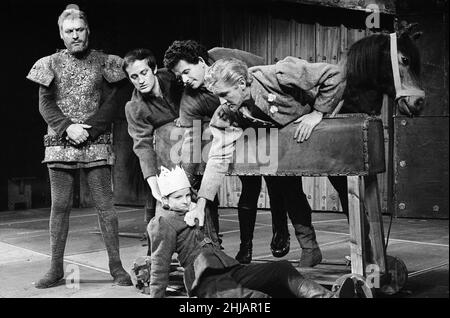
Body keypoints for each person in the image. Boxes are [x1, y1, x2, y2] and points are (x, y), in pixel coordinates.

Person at [164, 40, 323, 266]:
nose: (184, 80)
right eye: (180, 76)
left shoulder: (230, 59)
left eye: (186, 72)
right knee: (250, 186)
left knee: (285, 185)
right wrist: (191, 193)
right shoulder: (192, 100)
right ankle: (241, 246)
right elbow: (193, 141)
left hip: (276, 116)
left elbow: (261, 69)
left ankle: (285, 231)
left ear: (201, 62)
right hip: (238, 131)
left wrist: (314, 110)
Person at [26, 6, 131, 288]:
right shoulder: (49, 63)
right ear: (61, 34)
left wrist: (91, 129)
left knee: (105, 206)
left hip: (95, 142)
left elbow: (113, 101)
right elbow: (45, 103)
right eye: (69, 31)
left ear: (88, 31)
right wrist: (67, 127)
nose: (75, 35)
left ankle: (116, 267)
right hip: (60, 143)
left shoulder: (105, 62)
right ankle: (55, 268)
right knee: (59, 206)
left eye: (80, 30)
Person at [148, 165, 357, 298]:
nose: (185, 201)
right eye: (178, 198)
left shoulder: (197, 209)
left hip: (229, 267)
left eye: (187, 195)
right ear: (165, 200)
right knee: (255, 299)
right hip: (206, 280)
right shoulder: (163, 222)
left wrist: (197, 207)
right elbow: (159, 263)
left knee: (281, 269)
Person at [122, 48, 183, 254]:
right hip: (163, 154)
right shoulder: (135, 107)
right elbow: (142, 144)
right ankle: (154, 254)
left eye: (144, 73)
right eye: (134, 77)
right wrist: (152, 180)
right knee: (154, 195)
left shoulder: (176, 78)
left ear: (155, 69)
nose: (140, 80)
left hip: (193, 145)